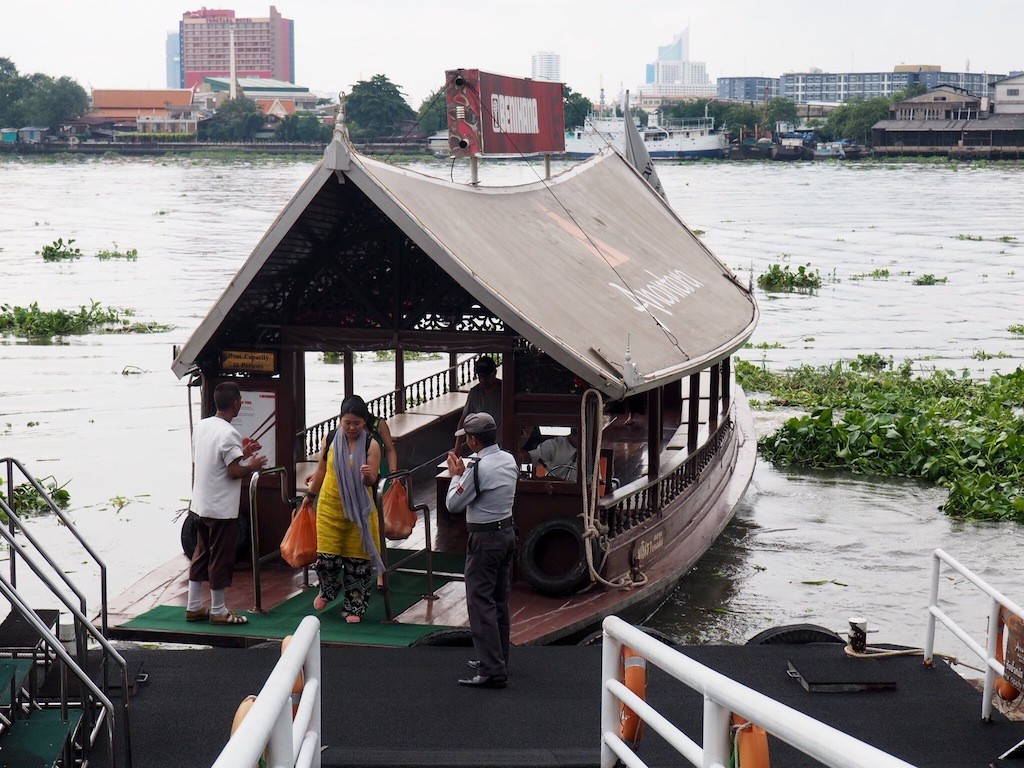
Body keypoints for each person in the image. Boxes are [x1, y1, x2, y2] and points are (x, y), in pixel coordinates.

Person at [445, 412, 518, 689]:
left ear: (473, 440)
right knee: (499, 599)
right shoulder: (508, 459)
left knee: (479, 602)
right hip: (507, 533)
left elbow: (453, 504)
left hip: (484, 539)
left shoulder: (479, 469)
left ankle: (491, 669)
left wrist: (456, 476)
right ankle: (498, 658)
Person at [186, 381, 267, 625]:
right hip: (220, 508)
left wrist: (241, 450)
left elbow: (213, 458)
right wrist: (251, 466)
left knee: (201, 553)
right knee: (220, 558)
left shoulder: (202, 425)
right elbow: (233, 471)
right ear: (236, 403)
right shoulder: (229, 432)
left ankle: (193, 606)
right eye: (240, 400)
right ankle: (219, 610)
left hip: (200, 504)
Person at [301, 396, 385, 623]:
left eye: (356, 423)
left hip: (359, 511)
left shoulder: (371, 445)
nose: (351, 428)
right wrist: (310, 496)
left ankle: (354, 607)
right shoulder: (329, 439)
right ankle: (328, 589)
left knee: (357, 562)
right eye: (347, 422)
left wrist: (368, 476)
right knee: (326, 559)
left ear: (364, 422)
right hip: (330, 506)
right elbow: (320, 470)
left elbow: (372, 480)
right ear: (340, 420)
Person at [454, 356, 502, 454]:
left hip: (502, 444)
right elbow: (464, 419)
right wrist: (457, 448)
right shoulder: (475, 392)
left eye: (486, 376)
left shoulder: (505, 391)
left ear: (494, 373)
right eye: (480, 377)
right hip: (483, 447)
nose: (483, 380)